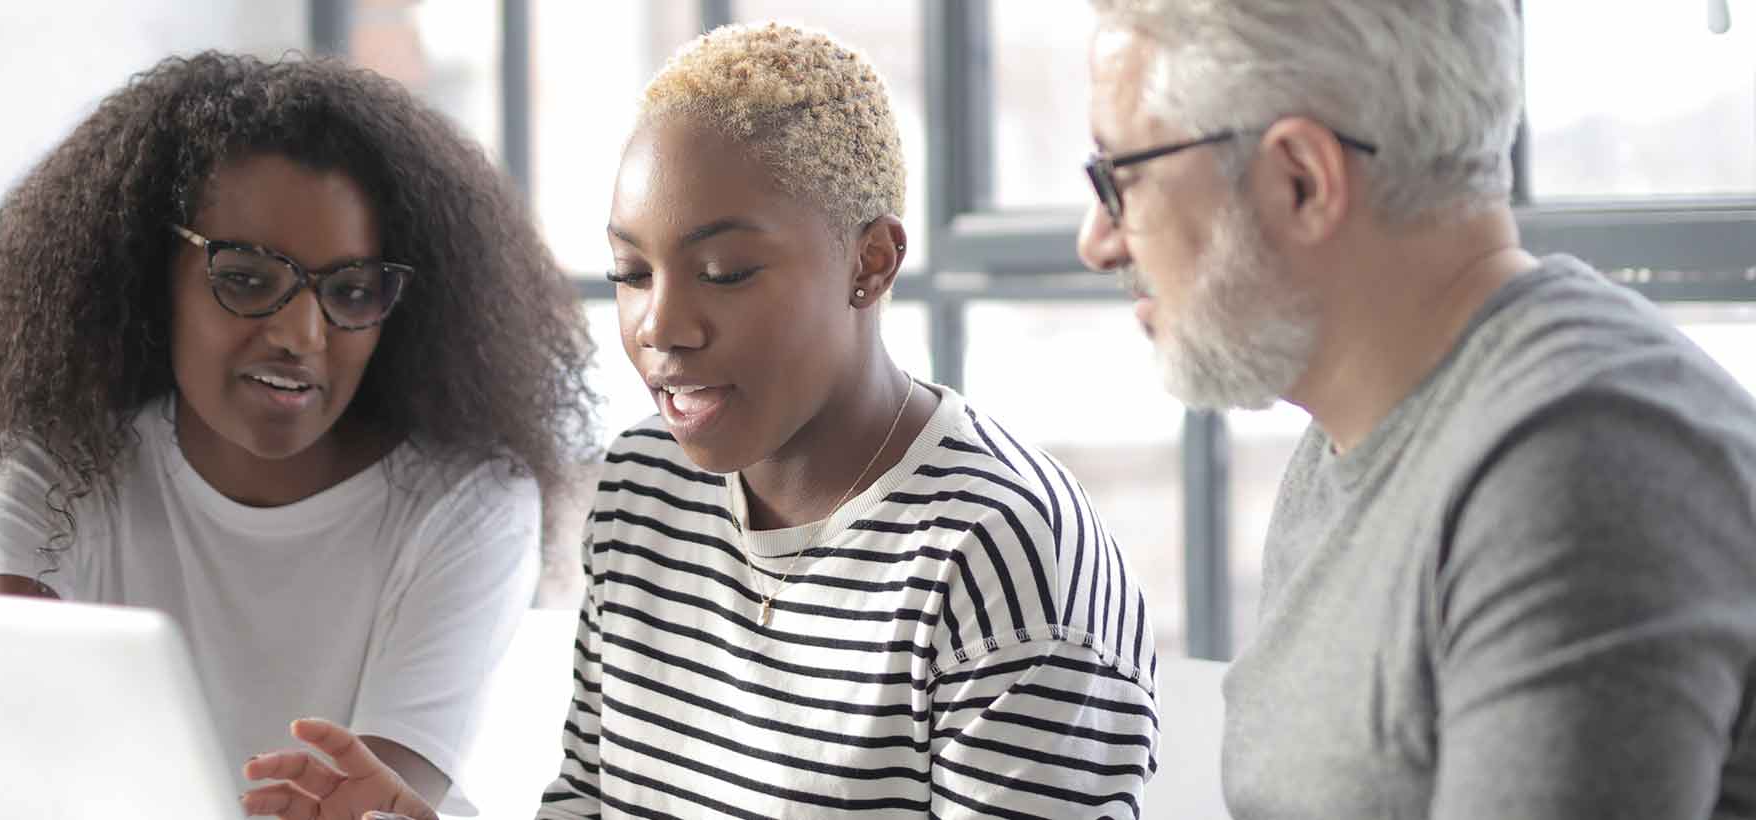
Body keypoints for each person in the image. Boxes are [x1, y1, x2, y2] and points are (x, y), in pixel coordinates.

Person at [245, 22, 1159, 820]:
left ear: (871, 264)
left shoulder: (1003, 557)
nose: (659, 328)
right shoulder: (648, 485)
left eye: (723, 272)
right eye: (631, 273)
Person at [0, 52, 599, 817]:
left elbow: (360, 807)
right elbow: (2, 751)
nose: (301, 334)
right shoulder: (46, 472)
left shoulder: (467, 501)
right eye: (247, 278)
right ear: (153, 278)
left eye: (351, 291)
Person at [1076, 1, 1756, 817]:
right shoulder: (1350, 434)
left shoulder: (1580, 463)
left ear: (1302, 179)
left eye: (1121, 179)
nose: (1098, 240)